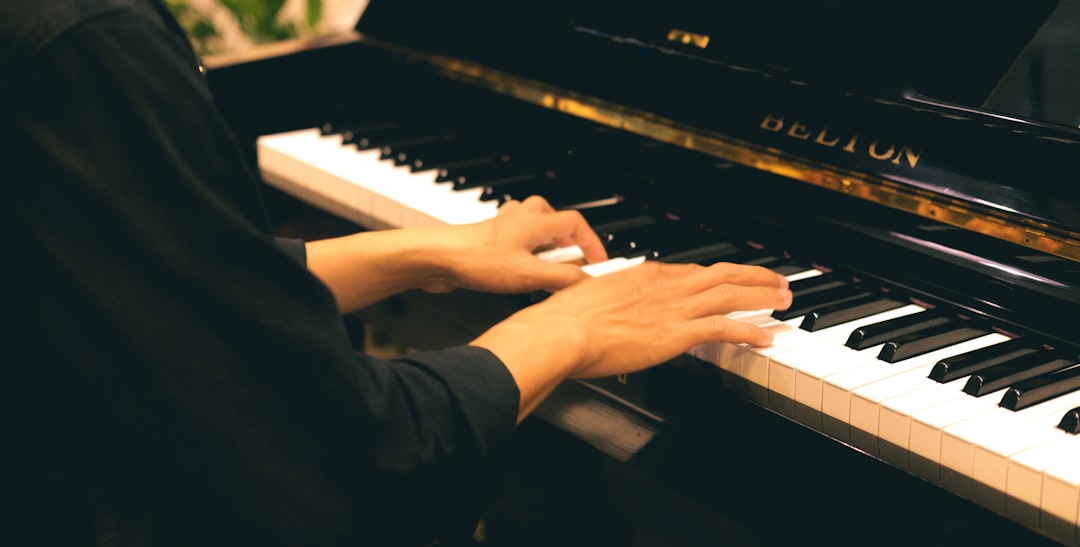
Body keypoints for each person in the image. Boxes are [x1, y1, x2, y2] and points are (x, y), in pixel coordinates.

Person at [0, 0, 792, 545]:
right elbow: (335, 467)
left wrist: (420, 253)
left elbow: (136, 279)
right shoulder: (84, 40)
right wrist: (570, 328)